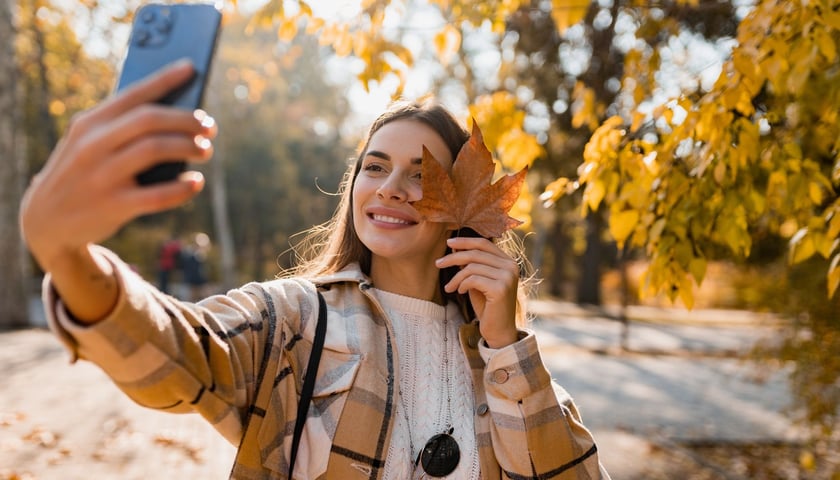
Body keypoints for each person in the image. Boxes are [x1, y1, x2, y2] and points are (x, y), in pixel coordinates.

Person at [19, 61, 609, 479]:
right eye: (374, 168)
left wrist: (506, 345)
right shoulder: (296, 319)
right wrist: (67, 256)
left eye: (422, 173)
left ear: (462, 202)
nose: (392, 189)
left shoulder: (504, 358)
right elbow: (175, 356)